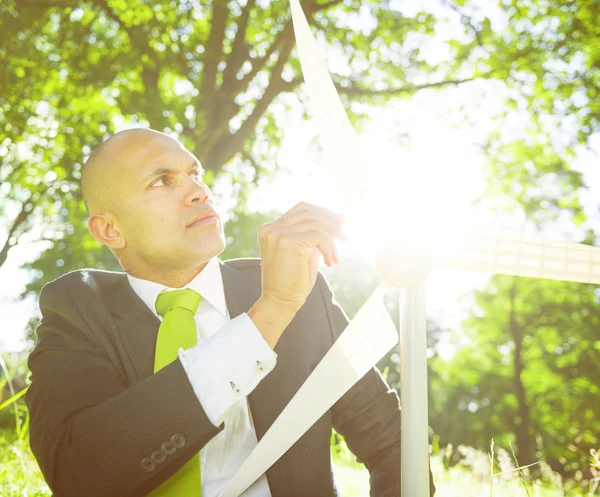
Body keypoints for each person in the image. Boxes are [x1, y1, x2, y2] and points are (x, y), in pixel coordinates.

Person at [25, 128, 436, 497]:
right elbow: (78, 475)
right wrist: (269, 314)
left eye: (195, 173)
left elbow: (393, 443)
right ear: (110, 230)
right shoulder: (78, 308)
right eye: (162, 180)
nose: (198, 190)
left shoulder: (301, 289)